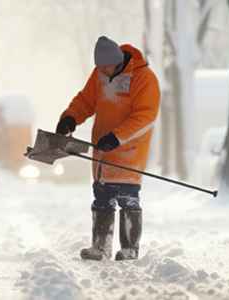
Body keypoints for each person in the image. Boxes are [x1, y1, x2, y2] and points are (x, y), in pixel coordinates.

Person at [56, 36, 160, 261]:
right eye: (98, 66)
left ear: (117, 60)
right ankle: (100, 248)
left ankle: (129, 249)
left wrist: (117, 137)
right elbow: (86, 100)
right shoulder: (100, 74)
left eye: (104, 66)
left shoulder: (143, 78)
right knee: (102, 198)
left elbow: (146, 116)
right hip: (102, 151)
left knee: (127, 198)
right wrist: (71, 117)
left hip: (129, 152)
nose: (101, 70)